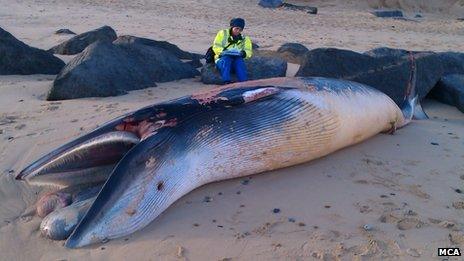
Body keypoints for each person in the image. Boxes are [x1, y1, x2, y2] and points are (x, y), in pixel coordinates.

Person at [212, 18, 253, 84]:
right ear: (232, 27)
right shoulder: (222, 33)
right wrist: (224, 51)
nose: (238, 31)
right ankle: (226, 81)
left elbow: (248, 51)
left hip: (236, 59)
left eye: (240, 29)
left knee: (239, 61)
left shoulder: (245, 39)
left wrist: (243, 54)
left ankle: (244, 83)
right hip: (222, 59)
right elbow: (216, 46)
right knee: (226, 59)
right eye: (236, 28)